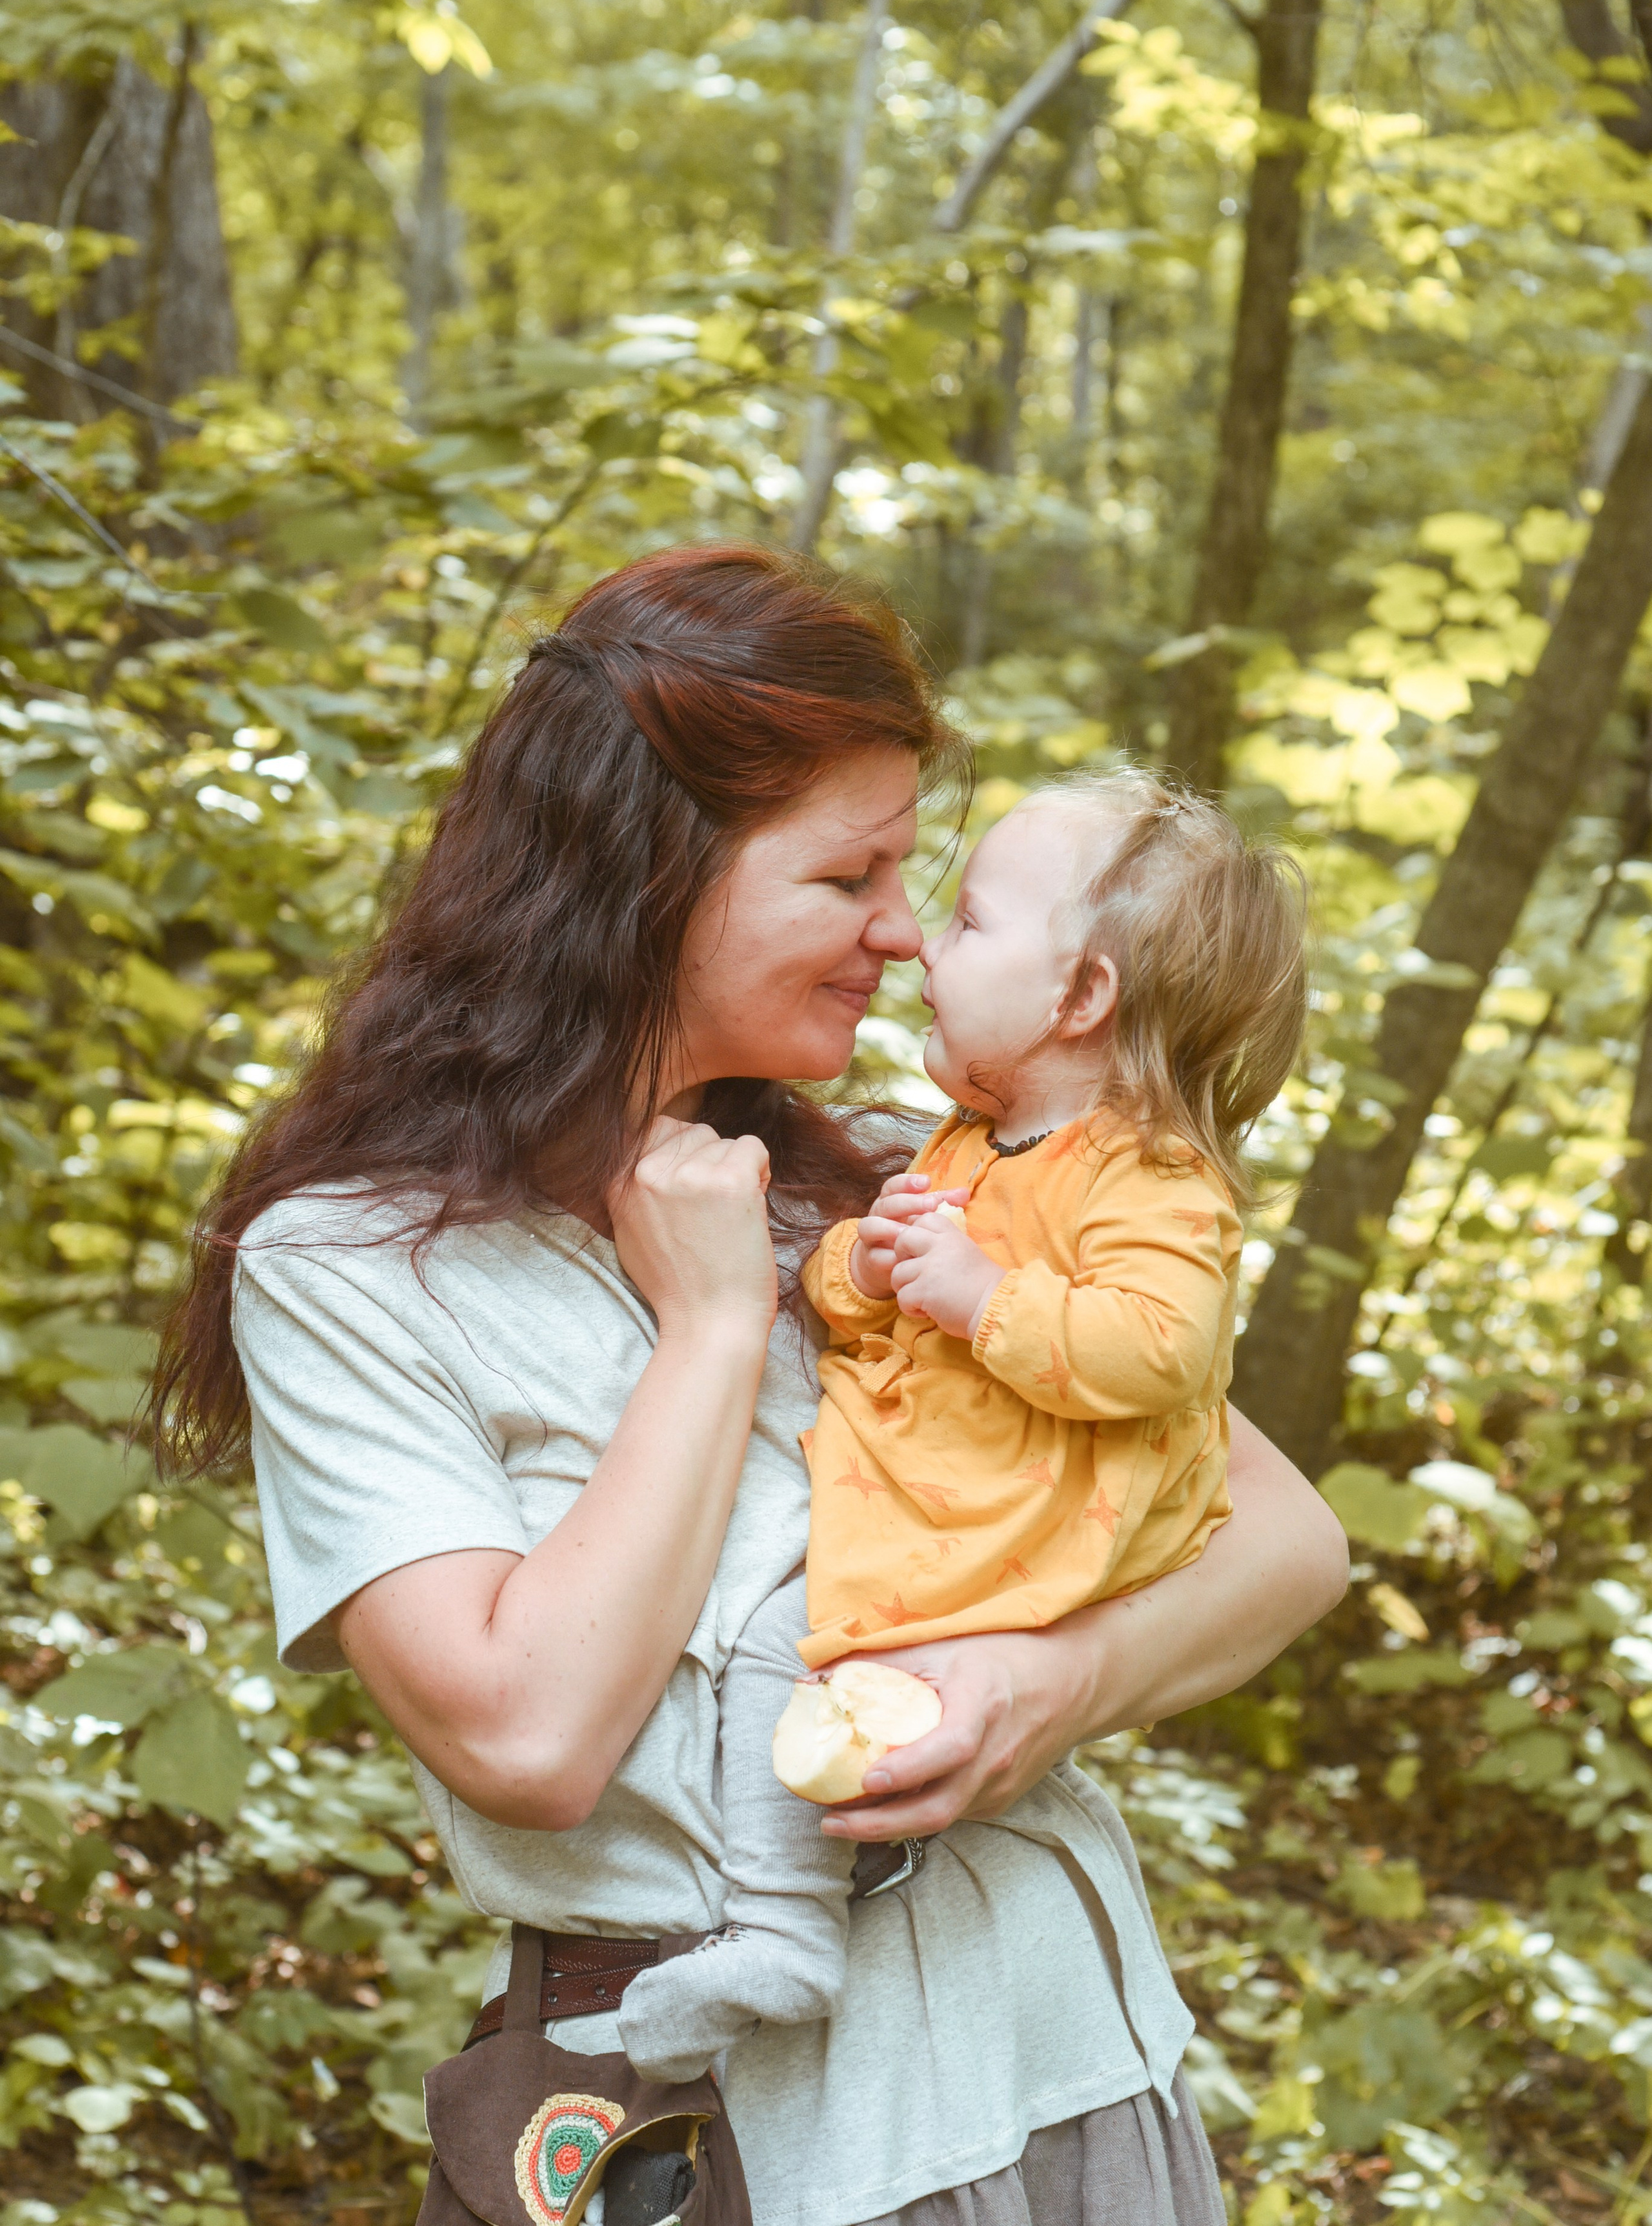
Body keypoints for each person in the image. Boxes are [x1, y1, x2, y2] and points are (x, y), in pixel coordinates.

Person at [147, 543, 1348, 2226]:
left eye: (917, 876)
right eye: (852, 874)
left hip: (1056, 2053)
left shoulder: (885, 1197)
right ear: (650, 876)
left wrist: (1045, 1686)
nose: (904, 932)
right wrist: (713, 1329)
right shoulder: (346, 1266)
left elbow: (1288, 1535)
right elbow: (528, 1734)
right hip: (693, 2114)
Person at [616, 771, 1309, 2089]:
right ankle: (799, 1915)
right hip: (937, 1500)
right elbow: (863, 1313)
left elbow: (1160, 1351)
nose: (923, 941)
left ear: (1081, 996)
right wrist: (858, 1272)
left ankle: (782, 1927)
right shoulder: (961, 1148)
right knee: (813, 1653)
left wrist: (987, 1300)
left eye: (971, 921)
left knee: (787, 1639)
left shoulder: (1153, 1179)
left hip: (1010, 1530)